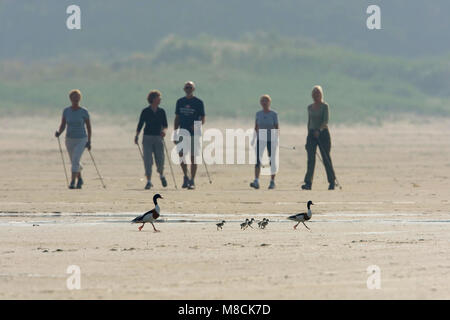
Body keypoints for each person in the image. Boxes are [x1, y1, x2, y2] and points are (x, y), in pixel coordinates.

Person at [301, 85, 336, 190]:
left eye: (318, 93)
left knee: (326, 158)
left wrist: (319, 130)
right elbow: (309, 122)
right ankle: (308, 183)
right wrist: (309, 136)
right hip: (311, 134)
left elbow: (325, 121)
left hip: (323, 134)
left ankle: (331, 181)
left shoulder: (325, 106)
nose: (316, 95)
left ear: (321, 95)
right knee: (310, 160)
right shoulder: (309, 107)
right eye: (314, 93)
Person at [55, 89, 91, 189]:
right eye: (73, 97)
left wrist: (89, 141)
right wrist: (59, 133)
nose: (75, 99)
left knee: (75, 159)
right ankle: (80, 179)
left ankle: (72, 182)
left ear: (80, 98)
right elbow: (63, 125)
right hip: (69, 139)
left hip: (81, 139)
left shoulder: (84, 111)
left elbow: (88, 127)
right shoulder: (66, 111)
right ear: (70, 99)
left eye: (77, 97)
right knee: (74, 161)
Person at [173, 81, 205, 190]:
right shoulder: (180, 102)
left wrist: (196, 126)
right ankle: (186, 176)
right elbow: (177, 117)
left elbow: (203, 118)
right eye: (187, 87)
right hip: (182, 132)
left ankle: (192, 180)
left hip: (194, 134)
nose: (188, 89)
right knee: (181, 155)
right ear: (184, 89)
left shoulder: (198, 102)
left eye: (190, 87)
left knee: (193, 157)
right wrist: (175, 132)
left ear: (193, 89)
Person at [135, 90, 168, 190]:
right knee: (148, 160)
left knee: (160, 158)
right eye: (158, 97)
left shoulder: (161, 111)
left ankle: (161, 175)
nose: (160, 99)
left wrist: (164, 131)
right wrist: (136, 135)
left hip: (158, 137)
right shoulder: (145, 111)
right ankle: (149, 181)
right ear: (153, 99)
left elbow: (165, 125)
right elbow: (140, 124)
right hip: (147, 137)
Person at [250, 94, 279, 190]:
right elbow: (256, 127)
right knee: (258, 160)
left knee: (272, 160)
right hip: (260, 139)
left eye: (266, 101)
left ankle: (272, 181)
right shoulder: (258, 114)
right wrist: (254, 139)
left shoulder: (274, 114)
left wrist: (276, 139)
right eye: (262, 101)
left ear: (269, 102)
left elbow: (276, 127)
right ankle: (256, 181)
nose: (264, 103)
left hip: (271, 139)